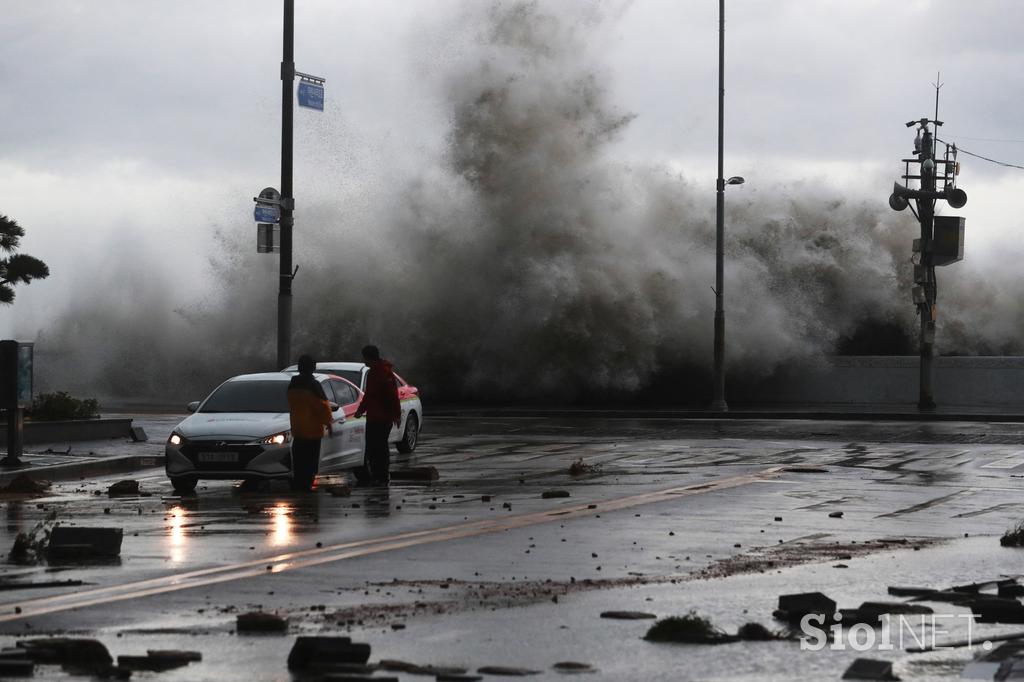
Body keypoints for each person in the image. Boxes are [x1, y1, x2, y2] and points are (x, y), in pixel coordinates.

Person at [354, 344, 401, 485]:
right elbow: (369, 395)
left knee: (379, 448)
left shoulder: (383, 373)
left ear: (369, 358)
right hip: (374, 417)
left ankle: (382, 476)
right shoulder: (374, 372)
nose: (363, 361)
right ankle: (377, 476)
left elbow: (392, 396)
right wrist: (361, 410)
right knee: (373, 448)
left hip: (382, 418)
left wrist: (396, 415)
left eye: (364, 358)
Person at [287, 354, 333, 491]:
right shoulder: (313, 385)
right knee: (310, 461)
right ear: (312, 368)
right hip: (312, 430)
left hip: (297, 428)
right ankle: (306, 485)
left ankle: (298, 484)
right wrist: (328, 422)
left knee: (299, 460)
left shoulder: (292, 385)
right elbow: (322, 406)